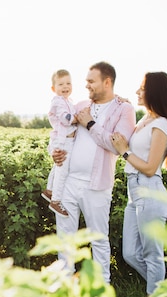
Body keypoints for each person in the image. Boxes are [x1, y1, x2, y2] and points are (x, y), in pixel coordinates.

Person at [51, 61, 135, 284]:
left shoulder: (124, 109)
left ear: (107, 82)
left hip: (97, 186)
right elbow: (60, 130)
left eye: (91, 81)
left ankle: (101, 288)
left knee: (98, 238)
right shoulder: (78, 105)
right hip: (69, 182)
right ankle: (65, 288)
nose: (86, 85)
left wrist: (90, 123)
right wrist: (55, 152)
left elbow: (117, 144)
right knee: (65, 238)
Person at [111, 71, 167, 295]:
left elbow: (151, 168)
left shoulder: (161, 124)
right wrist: (122, 105)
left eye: (142, 88)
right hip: (135, 193)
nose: (137, 91)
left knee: (153, 256)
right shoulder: (146, 119)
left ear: (154, 92)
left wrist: (124, 152)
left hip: (150, 192)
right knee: (130, 253)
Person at [42, 69, 77, 217]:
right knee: (63, 170)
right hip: (63, 140)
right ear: (53, 88)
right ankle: (56, 201)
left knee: (57, 167)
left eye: (68, 83)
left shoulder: (68, 101)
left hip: (63, 139)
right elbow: (64, 118)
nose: (65, 86)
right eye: (61, 84)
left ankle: (49, 191)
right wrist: (76, 119)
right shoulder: (58, 101)